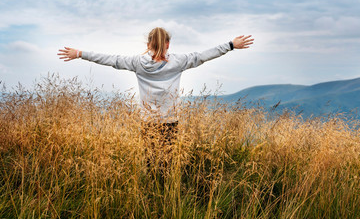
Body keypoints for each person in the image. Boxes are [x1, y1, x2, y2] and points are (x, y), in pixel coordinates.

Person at [58, 27, 253, 175]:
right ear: (167, 44)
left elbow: (111, 59)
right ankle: (166, 194)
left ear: (148, 44)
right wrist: (230, 45)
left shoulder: (137, 63)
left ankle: (152, 193)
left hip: (147, 121)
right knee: (167, 163)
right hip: (170, 120)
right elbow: (203, 56)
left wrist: (80, 53)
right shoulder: (179, 61)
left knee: (150, 161)